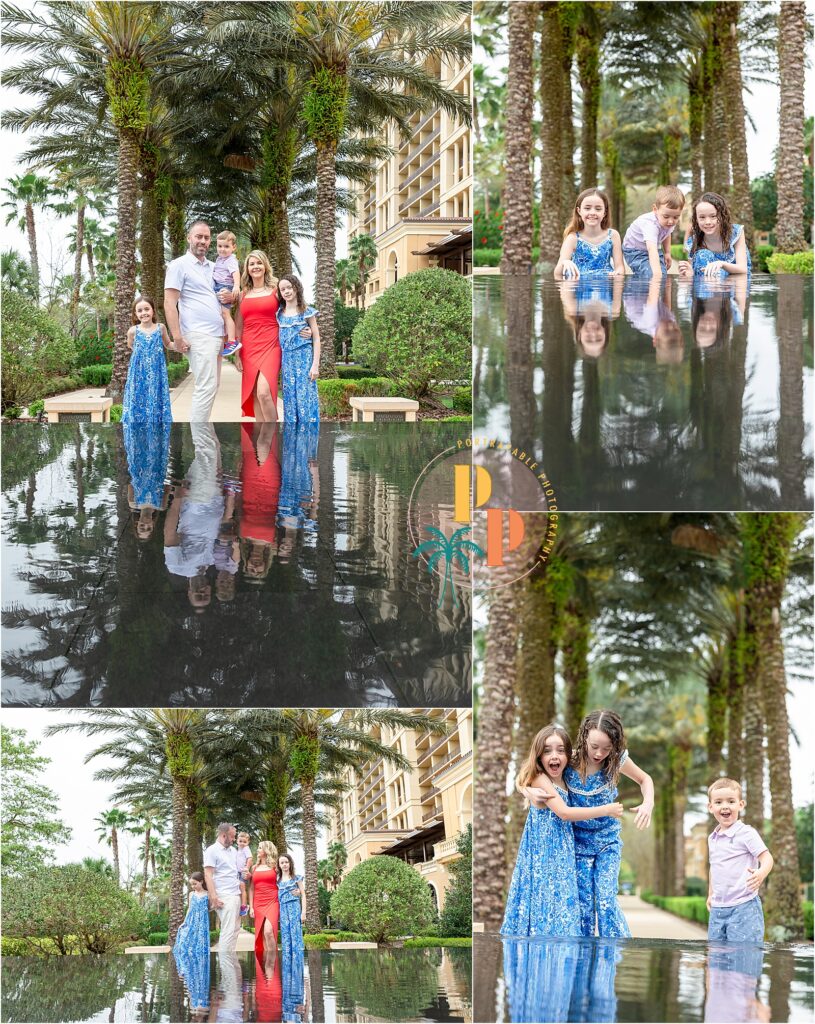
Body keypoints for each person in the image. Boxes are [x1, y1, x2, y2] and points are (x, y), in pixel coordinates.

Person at [501, 724, 624, 937]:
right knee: (546, 903)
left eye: (560, 750)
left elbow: (522, 779)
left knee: (564, 906)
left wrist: (525, 790)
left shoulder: (566, 774)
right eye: (547, 751)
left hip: (564, 852)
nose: (554, 756)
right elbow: (565, 813)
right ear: (538, 755)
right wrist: (607, 809)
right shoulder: (541, 778)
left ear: (569, 755)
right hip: (546, 854)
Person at [563, 709, 655, 938]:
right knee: (583, 904)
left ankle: (609, 957)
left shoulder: (616, 760)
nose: (600, 753)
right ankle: (582, 960)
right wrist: (529, 792)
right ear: (584, 736)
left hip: (607, 841)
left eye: (607, 747)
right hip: (578, 844)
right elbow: (530, 774)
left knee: (605, 899)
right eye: (595, 746)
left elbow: (645, 779)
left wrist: (648, 803)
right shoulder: (568, 761)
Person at [234, 251, 312, 421]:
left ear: (265, 266)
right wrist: (236, 353)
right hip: (248, 347)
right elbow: (238, 326)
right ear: (247, 269)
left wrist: (309, 327)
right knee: (255, 394)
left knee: (264, 392)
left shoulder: (276, 290)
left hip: (272, 345)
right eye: (251, 264)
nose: (255, 267)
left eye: (259, 263)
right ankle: (264, 444)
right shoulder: (243, 294)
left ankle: (270, 434)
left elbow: (295, 308)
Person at [164, 220, 225, 422]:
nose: (203, 241)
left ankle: (203, 440)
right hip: (198, 334)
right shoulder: (178, 265)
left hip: (217, 335)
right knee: (206, 386)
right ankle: (201, 445)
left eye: (207, 238)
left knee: (213, 386)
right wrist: (177, 337)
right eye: (198, 236)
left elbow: (222, 297)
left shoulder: (215, 267)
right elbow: (169, 303)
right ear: (189, 238)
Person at [707, 777, 774, 943]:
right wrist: (710, 894)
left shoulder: (747, 833)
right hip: (717, 909)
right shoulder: (712, 838)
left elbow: (767, 858)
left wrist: (761, 873)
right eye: (718, 802)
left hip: (744, 907)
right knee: (717, 959)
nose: (725, 806)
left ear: (741, 804)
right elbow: (714, 868)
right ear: (710, 807)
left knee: (744, 958)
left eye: (731, 801)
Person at [121, 295, 173, 424]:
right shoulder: (133, 331)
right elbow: (131, 346)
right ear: (135, 314)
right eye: (140, 311)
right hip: (138, 372)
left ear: (153, 310)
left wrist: (181, 345)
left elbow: (168, 344)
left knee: (155, 395)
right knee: (138, 396)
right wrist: (144, 356)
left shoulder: (161, 328)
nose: (144, 313)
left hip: (156, 371)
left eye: (146, 309)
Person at [276, 274, 320, 423]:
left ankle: (307, 441)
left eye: (289, 287)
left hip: (305, 361)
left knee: (305, 398)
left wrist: (315, 365)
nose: (287, 291)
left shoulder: (306, 311)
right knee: (290, 401)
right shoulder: (279, 314)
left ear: (296, 288)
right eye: (283, 289)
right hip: (287, 363)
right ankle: (292, 442)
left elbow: (316, 338)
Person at [554, 188, 624, 280]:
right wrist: (565, 262)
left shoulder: (613, 235)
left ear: (605, 212)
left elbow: (620, 267)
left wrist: (618, 273)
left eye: (598, 209)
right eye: (587, 208)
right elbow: (557, 273)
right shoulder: (573, 238)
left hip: (606, 285)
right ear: (579, 211)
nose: (592, 213)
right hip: (579, 286)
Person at [678, 192, 752, 278]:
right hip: (708, 284)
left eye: (713, 216)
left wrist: (722, 264)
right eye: (702, 217)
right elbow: (697, 271)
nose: (708, 222)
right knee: (702, 254)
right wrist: (690, 272)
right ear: (696, 219)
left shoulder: (735, 233)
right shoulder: (694, 241)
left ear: (722, 216)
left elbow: (743, 269)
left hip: (735, 282)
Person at [622, 185, 685, 278]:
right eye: (666, 216)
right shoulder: (650, 225)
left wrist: (667, 253)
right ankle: (641, 290)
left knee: (663, 272)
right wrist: (656, 278)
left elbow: (667, 233)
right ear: (655, 209)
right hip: (634, 250)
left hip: (651, 248)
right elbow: (652, 250)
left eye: (676, 217)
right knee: (650, 273)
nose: (671, 221)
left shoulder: (669, 222)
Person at [172, 871, 211, 1016]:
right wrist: (184, 921)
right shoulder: (191, 894)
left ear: (201, 881)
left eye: (195, 883)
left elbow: (211, 907)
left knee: (200, 946)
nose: (193, 886)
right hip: (192, 919)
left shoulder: (207, 894)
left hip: (202, 922)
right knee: (184, 938)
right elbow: (189, 908)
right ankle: (184, 967)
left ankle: (199, 964)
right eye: (191, 884)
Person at [623, 276, 684, 364]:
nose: (671, 325)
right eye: (675, 330)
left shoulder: (650, 323)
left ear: (655, 339)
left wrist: (658, 274)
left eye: (667, 331)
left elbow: (652, 296)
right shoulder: (668, 323)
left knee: (652, 272)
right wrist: (668, 284)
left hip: (633, 292)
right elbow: (667, 308)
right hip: (646, 296)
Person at [203, 822, 241, 954]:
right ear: (224, 835)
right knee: (228, 930)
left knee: (235, 929)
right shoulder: (212, 851)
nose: (234, 839)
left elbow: (236, 871)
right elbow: (208, 874)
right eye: (232, 837)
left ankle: (229, 965)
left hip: (235, 894)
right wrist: (213, 897)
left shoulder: (234, 850)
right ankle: (225, 962)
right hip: (223, 895)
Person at [213, 230, 242, 357]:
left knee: (226, 314)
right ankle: (226, 339)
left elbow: (235, 273)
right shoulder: (220, 259)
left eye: (226, 246)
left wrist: (236, 286)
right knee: (221, 313)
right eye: (220, 246)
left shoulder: (230, 260)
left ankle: (232, 341)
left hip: (225, 287)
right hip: (218, 286)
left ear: (233, 247)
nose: (222, 249)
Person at [249, 840, 280, 959]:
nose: (257, 850)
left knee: (268, 931)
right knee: (262, 934)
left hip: (273, 901)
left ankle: (273, 961)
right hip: (258, 903)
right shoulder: (254, 868)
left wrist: (297, 890)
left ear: (267, 850)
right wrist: (251, 907)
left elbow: (283, 881)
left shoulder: (275, 867)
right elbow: (251, 888)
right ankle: (266, 968)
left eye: (260, 848)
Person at [277, 853, 305, 961]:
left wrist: (303, 913)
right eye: (282, 863)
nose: (284, 865)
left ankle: (298, 965)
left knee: (295, 934)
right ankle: (287, 968)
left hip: (295, 909)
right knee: (285, 935)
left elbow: (303, 894)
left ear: (290, 863)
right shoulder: (277, 881)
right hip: (283, 910)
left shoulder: (296, 878)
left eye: (286, 862)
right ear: (279, 865)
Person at [236, 831, 254, 916]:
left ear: (248, 842)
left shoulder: (246, 849)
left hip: (243, 871)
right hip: (237, 872)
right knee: (239, 888)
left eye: (245, 842)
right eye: (240, 841)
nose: (242, 843)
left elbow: (250, 859)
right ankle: (240, 904)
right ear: (237, 841)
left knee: (242, 887)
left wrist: (247, 868)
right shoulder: (238, 850)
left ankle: (244, 906)